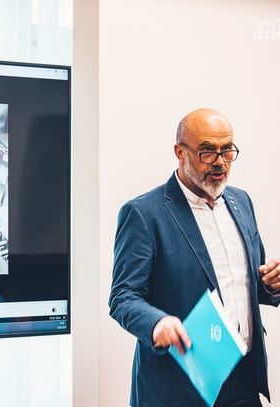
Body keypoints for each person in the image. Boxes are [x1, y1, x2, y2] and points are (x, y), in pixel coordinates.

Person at [109, 108, 280, 407]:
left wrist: (270, 285)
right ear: (180, 152)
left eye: (227, 150)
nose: (220, 161)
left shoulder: (242, 201)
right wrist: (157, 323)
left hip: (244, 381)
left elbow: (244, 284)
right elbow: (123, 296)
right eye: (207, 151)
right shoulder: (144, 214)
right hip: (179, 388)